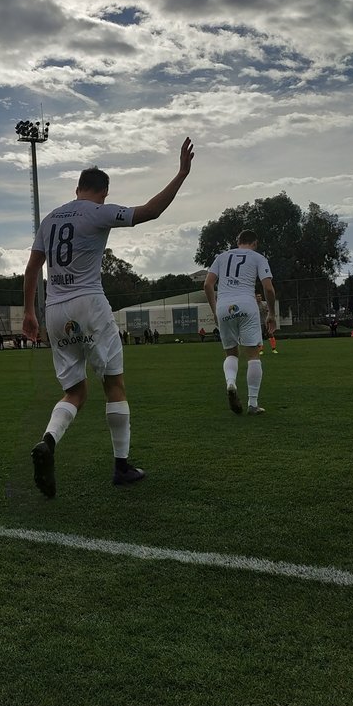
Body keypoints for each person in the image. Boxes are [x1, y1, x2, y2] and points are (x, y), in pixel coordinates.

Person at [22, 137, 194, 497]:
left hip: (54, 309)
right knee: (113, 384)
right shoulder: (98, 211)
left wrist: (29, 312)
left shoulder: (51, 218)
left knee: (74, 391)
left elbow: (32, 268)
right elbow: (149, 211)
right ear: (103, 192)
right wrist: (181, 174)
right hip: (89, 303)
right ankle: (121, 467)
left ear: (77, 188)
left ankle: (49, 440)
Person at [204, 229, 277, 415]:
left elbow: (207, 284)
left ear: (238, 241)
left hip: (224, 306)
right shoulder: (258, 258)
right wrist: (271, 314)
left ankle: (230, 383)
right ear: (255, 243)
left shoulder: (221, 257)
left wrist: (214, 310)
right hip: (246, 304)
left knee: (231, 353)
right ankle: (253, 404)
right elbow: (268, 289)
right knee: (253, 355)